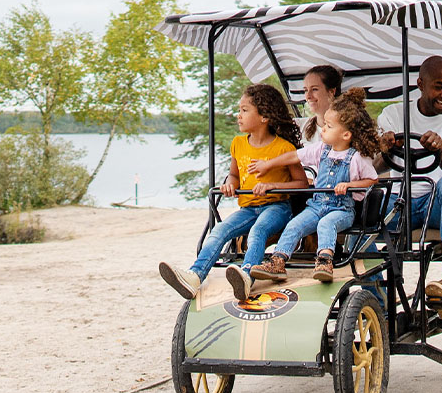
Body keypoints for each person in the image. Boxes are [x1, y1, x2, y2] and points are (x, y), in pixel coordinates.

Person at [158, 84, 306, 299]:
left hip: (277, 207)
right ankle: (195, 275)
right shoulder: (238, 144)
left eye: (244, 110)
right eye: (239, 110)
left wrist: (272, 186)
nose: (238, 115)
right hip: (248, 208)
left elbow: (302, 183)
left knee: (258, 230)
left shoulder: (283, 148)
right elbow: (234, 175)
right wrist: (229, 184)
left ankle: (246, 275)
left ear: (264, 117)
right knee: (220, 230)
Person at [238, 89, 380, 294]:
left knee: (326, 224)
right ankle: (278, 260)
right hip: (317, 205)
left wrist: (349, 185)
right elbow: (294, 156)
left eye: (328, 126)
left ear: (346, 135)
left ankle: (324, 261)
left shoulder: (356, 158)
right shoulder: (321, 150)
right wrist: (268, 164)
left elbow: (372, 180)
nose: (323, 130)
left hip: (341, 210)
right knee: (294, 225)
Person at [374, 55, 442, 321]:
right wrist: (386, 149)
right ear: (420, 84)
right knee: (362, 206)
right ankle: (375, 298)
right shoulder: (393, 115)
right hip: (401, 203)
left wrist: (440, 150)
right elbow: (373, 169)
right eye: (439, 86)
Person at [299, 64, 343, 145]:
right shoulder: (300, 126)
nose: (308, 96)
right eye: (305, 90)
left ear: (331, 92)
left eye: (314, 89)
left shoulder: (346, 130)